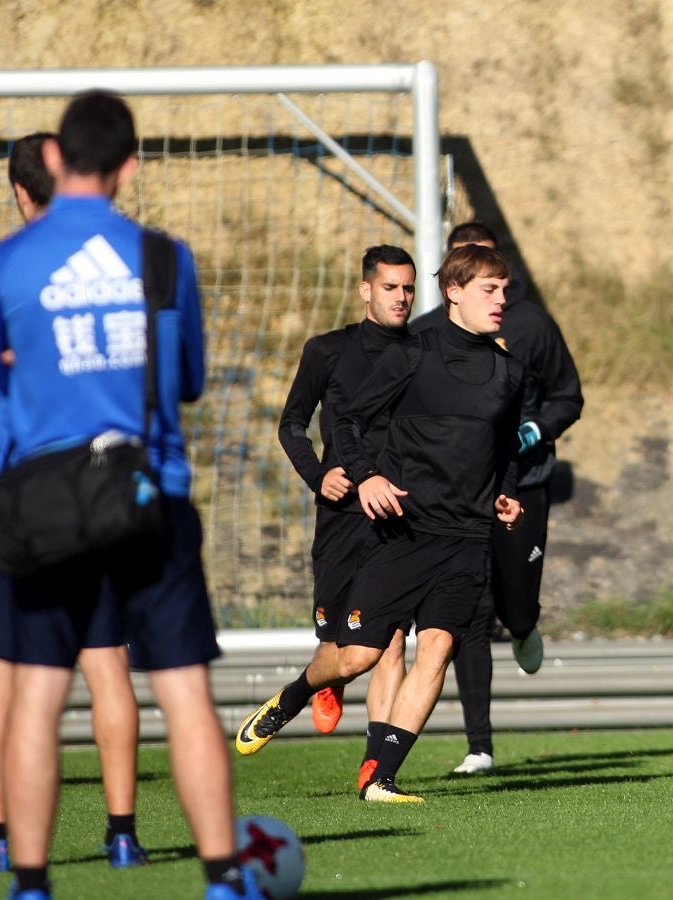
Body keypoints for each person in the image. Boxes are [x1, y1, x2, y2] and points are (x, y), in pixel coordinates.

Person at [0, 92, 254, 899]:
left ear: (57, 160)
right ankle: (221, 878)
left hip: (42, 499)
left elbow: (2, 374)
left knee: (35, 689)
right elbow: (192, 382)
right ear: (130, 165)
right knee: (182, 691)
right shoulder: (166, 258)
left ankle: (29, 881)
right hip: (149, 492)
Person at [237, 244, 525, 804]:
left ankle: (380, 777)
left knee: (437, 648)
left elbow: (505, 447)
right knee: (360, 657)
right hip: (404, 531)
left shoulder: (508, 370)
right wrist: (365, 477)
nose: (502, 301)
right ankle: (294, 696)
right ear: (455, 293)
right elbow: (347, 421)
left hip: (467, 537)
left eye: (505, 290)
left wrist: (507, 493)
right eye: (490, 290)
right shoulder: (414, 353)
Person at [0, 131, 152, 876]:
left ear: (20, 193)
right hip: (106, 483)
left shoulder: (3, 270)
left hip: (19, 487)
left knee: (1, 670)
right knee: (107, 661)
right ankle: (122, 834)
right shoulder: (123, 264)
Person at [413, 221, 584, 776]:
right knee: (470, 611)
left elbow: (568, 396)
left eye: (499, 278)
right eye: (479, 277)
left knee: (512, 605)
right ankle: (479, 745)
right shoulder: (426, 337)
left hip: (525, 484)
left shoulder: (531, 326)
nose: (496, 291)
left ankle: (526, 621)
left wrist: (534, 431)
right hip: (461, 496)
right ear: (453, 279)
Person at [274, 245, 415, 788]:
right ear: (365, 289)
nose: (401, 298)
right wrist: (318, 475)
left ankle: (375, 768)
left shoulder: (422, 352)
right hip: (340, 515)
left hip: (400, 514)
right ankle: (323, 680)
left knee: (392, 639)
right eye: (390, 288)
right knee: (338, 646)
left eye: (407, 289)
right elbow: (291, 424)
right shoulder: (329, 351)